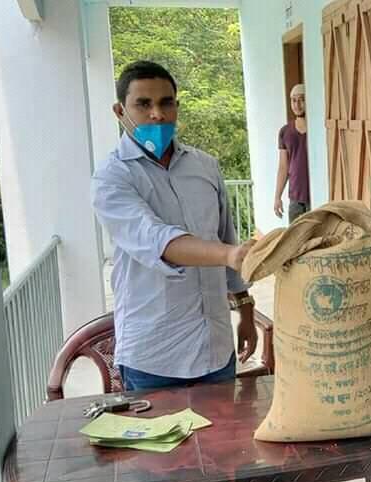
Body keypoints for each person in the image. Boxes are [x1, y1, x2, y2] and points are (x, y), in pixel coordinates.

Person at [91, 60, 257, 391]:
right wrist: (230, 254)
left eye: (166, 103)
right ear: (120, 110)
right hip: (153, 357)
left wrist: (246, 311)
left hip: (216, 349)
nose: (157, 114)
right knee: (159, 443)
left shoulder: (205, 166)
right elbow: (157, 240)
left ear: (177, 107)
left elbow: (225, 236)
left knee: (220, 443)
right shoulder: (112, 177)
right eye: (143, 104)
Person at [274, 84, 311, 222]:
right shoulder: (285, 132)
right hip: (295, 197)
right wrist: (277, 197)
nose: (297, 104)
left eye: (302, 99)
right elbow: (283, 167)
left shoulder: (317, 127)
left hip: (315, 195)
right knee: (295, 240)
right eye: (294, 100)